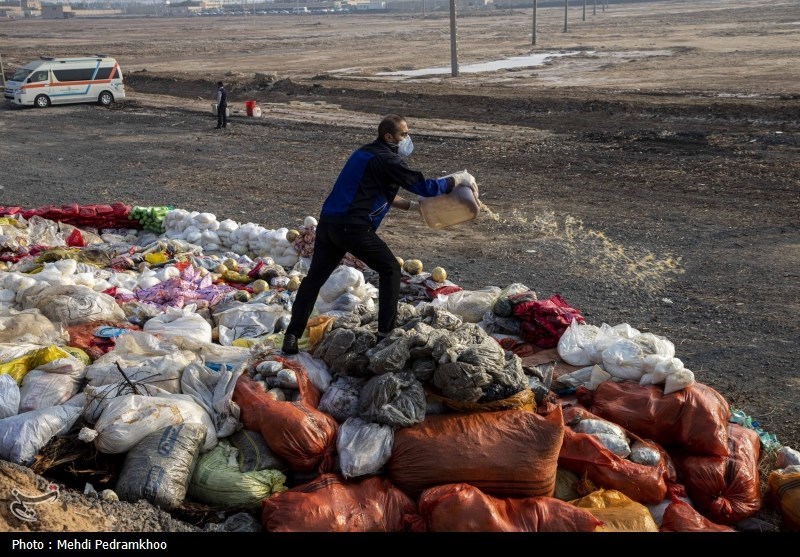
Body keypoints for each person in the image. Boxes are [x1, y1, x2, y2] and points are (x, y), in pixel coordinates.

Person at [281, 113, 478, 354]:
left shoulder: (364, 153)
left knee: (313, 280)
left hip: (329, 224)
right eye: (403, 134)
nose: (407, 138)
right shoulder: (387, 159)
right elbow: (425, 187)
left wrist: (414, 207)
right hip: (352, 227)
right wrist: (458, 178)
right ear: (388, 136)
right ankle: (386, 332)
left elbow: (382, 192)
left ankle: (291, 336)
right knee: (390, 269)